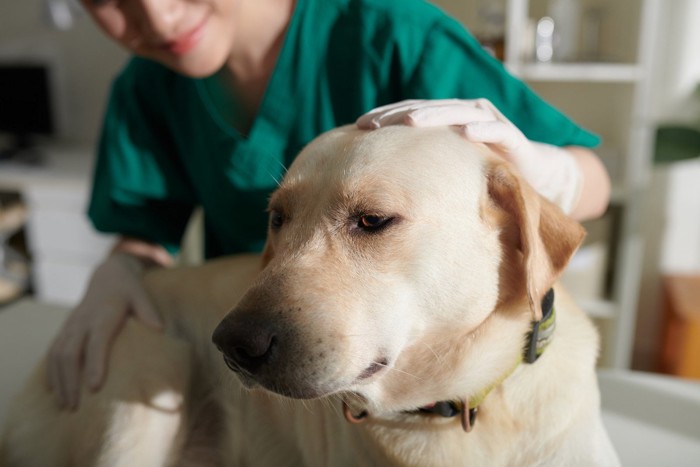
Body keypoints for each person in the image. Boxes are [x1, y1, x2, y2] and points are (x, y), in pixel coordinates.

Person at [49, 0, 610, 410]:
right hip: (264, 352)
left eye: (371, 219)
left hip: (403, 367)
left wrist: (537, 167)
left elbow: (593, 184)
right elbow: (146, 227)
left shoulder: (393, 33)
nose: (158, 17)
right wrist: (119, 267)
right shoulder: (147, 86)